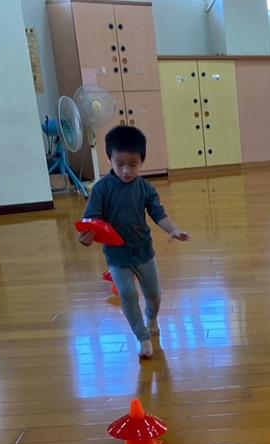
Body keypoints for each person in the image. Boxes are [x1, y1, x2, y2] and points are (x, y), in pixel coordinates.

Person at [78, 126, 189, 359]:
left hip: (144, 252)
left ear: (142, 161)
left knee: (154, 294)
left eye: (132, 164)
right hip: (117, 257)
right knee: (128, 295)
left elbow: (158, 213)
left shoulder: (146, 188)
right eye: (119, 164)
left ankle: (152, 317)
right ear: (109, 159)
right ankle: (142, 336)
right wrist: (86, 238)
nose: (126, 170)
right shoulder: (101, 190)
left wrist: (174, 230)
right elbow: (91, 222)